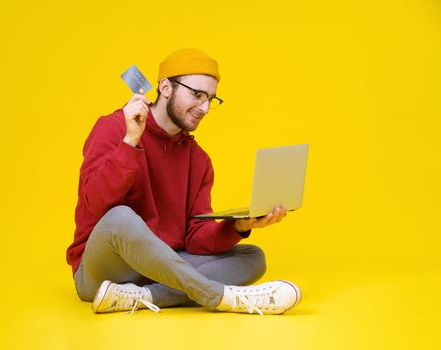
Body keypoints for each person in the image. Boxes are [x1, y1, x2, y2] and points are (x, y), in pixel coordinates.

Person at [65, 48, 301, 315]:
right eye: (197, 94)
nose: (205, 108)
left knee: (252, 257)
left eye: (211, 99)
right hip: (103, 271)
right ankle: (222, 297)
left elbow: (194, 237)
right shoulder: (114, 128)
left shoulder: (199, 160)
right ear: (165, 87)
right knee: (121, 217)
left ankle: (143, 296)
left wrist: (239, 226)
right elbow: (95, 203)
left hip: (161, 270)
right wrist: (130, 142)